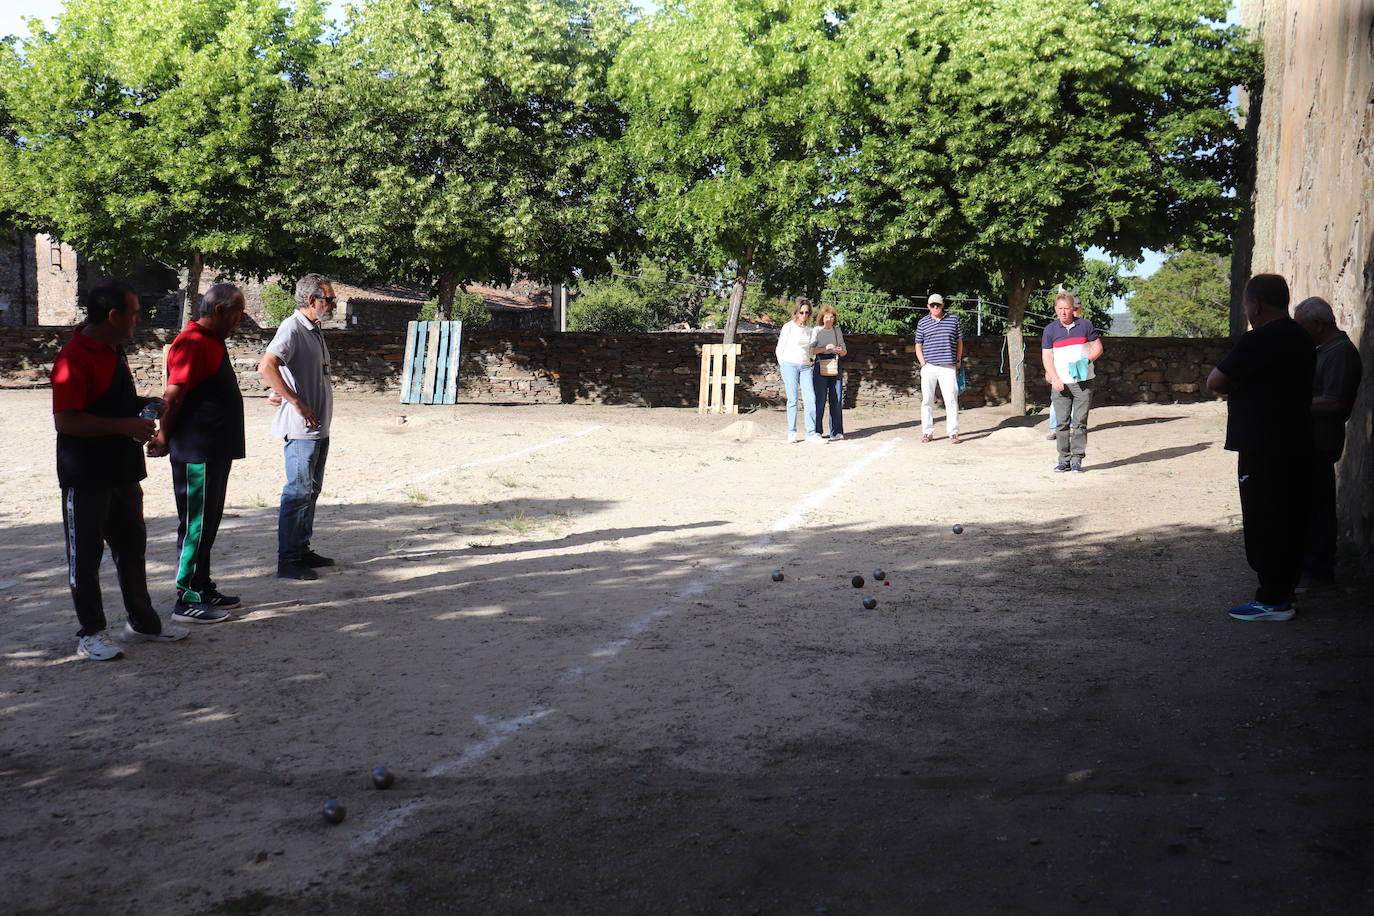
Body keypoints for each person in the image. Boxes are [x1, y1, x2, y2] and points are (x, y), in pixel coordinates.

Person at [51, 281, 189, 660]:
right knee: (86, 556)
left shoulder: (115, 350)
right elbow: (66, 421)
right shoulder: (73, 357)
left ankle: (142, 622)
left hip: (123, 470)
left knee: (132, 549)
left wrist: (144, 405)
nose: (138, 319)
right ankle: (91, 633)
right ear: (113, 316)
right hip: (86, 473)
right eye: (133, 312)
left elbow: (113, 403)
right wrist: (125, 425)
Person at [1206, 274, 1315, 622]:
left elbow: (1216, 380)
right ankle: (1284, 591)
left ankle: (1272, 599)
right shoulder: (1301, 336)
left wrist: (1240, 382)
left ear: (1256, 304)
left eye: (1245, 303)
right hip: (1296, 439)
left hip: (1262, 443)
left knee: (1264, 519)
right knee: (1289, 517)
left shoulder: (1259, 340)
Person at [146, 283, 247, 623]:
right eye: (237, 312)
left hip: (215, 450)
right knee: (195, 524)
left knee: (208, 522)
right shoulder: (192, 343)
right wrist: (162, 436)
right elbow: (173, 396)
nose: (240, 319)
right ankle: (186, 597)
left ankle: (202, 586)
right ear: (219, 311)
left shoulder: (211, 342)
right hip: (197, 452)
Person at [258, 273, 338, 579]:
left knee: (310, 490)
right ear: (311, 300)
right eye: (329, 299)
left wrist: (280, 391)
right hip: (302, 429)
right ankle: (289, 560)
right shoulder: (292, 327)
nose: (333, 304)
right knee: (298, 491)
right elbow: (267, 365)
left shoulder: (313, 329)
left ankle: (302, 549)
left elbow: (289, 371)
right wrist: (296, 402)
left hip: (318, 427)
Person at [1292, 295, 1363, 588]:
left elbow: (1335, 403)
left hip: (1321, 441)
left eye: (1303, 328)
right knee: (1310, 504)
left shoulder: (1340, 353)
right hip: (1313, 440)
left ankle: (1318, 569)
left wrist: (1293, 403)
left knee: (1318, 506)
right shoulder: (1327, 349)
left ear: (1318, 325)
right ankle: (1311, 565)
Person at [1042, 292, 1104, 471]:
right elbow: (1047, 356)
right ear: (1055, 309)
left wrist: (1086, 361)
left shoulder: (1085, 325)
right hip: (1060, 383)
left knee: (1079, 422)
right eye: (1059, 309)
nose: (1063, 312)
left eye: (1066, 309)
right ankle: (1064, 460)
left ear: (1073, 309)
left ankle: (1077, 460)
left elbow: (1098, 347)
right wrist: (1054, 377)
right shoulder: (1050, 330)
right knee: (1061, 423)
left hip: (1083, 382)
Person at [915, 293, 964, 443]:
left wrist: (957, 360)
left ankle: (953, 432)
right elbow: (918, 345)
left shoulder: (953, 320)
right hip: (929, 366)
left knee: (951, 400)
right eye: (932, 305)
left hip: (948, 366)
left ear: (943, 305)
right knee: (927, 400)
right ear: (928, 306)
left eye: (938, 305)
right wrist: (923, 363)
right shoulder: (923, 322)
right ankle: (927, 432)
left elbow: (959, 341)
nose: (935, 307)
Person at [775, 297, 823, 444]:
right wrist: (783, 365)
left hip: (805, 367)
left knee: (810, 398)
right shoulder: (788, 327)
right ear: (796, 312)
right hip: (789, 365)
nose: (804, 315)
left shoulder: (810, 330)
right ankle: (792, 432)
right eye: (801, 312)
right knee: (792, 399)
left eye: (807, 313)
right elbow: (780, 348)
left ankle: (811, 433)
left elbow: (810, 350)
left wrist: (811, 359)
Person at [1046, 297, 1084, 439]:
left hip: (1077, 369)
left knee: (1077, 398)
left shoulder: (1083, 327)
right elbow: (1049, 353)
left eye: (1072, 309)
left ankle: (1073, 427)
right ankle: (1055, 428)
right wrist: (1049, 372)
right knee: (1057, 399)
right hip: (1060, 371)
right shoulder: (1054, 328)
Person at [810, 304, 847, 440]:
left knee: (836, 398)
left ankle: (836, 431)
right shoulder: (817, 331)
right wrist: (826, 348)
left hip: (835, 364)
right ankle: (817, 431)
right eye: (827, 317)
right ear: (822, 318)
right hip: (820, 364)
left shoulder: (837, 331)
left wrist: (839, 350)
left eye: (832, 317)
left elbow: (844, 351)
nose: (830, 319)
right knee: (819, 399)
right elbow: (811, 351)